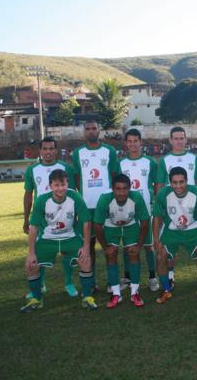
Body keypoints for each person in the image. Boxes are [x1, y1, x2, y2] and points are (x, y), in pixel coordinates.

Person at [21, 169, 97, 312]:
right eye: (56, 185)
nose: (60, 188)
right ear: (50, 185)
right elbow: (34, 227)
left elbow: (86, 222)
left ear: (67, 183)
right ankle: (36, 299)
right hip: (48, 239)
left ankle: (87, 297)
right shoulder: (42, 200)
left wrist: (86, 247)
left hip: (70, 237)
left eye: (63, 184)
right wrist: (31, 252)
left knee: (86, 260)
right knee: (31, 265)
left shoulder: (75, 197)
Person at [22, 137, 78, 298]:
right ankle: (40, 285)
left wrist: (75, 217)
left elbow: (73, 193)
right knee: (40, 251)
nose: (48, 152)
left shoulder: (66, 168)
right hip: (42, 219)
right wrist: (26, 219)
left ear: (56, 150)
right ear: (40, 151)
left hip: (65, 216)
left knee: (67, 251)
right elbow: (28, 195)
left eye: (51, 148)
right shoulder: (32, 169)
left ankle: (69, 284)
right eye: (45, 149)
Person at [153, 167, 197, 303]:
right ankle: (166, 290)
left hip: (191, 228)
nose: (178, 186)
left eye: (181, 182)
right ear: (170, 183)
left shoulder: (196, 193)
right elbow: (157, 217)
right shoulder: (163, 194)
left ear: (186, 181)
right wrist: (156, 240)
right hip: (171, 229)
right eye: (175, 182)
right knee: (160, 255)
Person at [72, 119, 118, 291]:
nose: (91, 131)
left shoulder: (109, 151)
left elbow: (114, 175)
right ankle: (91, 283)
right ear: (84, 132)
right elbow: (77, 177)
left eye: (94, 128)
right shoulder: (77, 153)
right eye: (88, 129)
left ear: (99, 130)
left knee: (109, 245)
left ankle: (112, 283)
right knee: (88, 246)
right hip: (87, 208)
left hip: (106, 206)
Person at [156, 126, 197, 287]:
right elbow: (160, 185)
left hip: (191, 206)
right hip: (172, 207)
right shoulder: (164, 160)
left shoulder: (193, 158)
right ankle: (170, 275)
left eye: (181, 138)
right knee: (169, 243)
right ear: (170, 140)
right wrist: (161, 205)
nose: (179, 141)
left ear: (186, 139)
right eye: (175, 138)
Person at [94, 174, 150, 308]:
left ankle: (135, 292)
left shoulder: (136, 197)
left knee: (133, 254)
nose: (121, 193)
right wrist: (105, 247)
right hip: (111, 226)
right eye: (118, 189)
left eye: (125, 189)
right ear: (112, 189)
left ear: (129, 188)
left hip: (130, 226)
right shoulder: (104, 199)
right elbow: (97, 225)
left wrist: (139, 245)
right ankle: (116, 293)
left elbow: (144, 221)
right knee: (111, 255)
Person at [119, 129, 159, 292]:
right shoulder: (121, 163)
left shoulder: (150, 162)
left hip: (146, 210)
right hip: (126, 210)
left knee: (149, 245)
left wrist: (155, 203)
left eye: (136, 141)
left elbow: (157, 185)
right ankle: (127, 277)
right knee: (127, 246)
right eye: (130, 141)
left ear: (140, 142)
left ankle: (152, 277)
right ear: (126, 143)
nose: (133, 144)